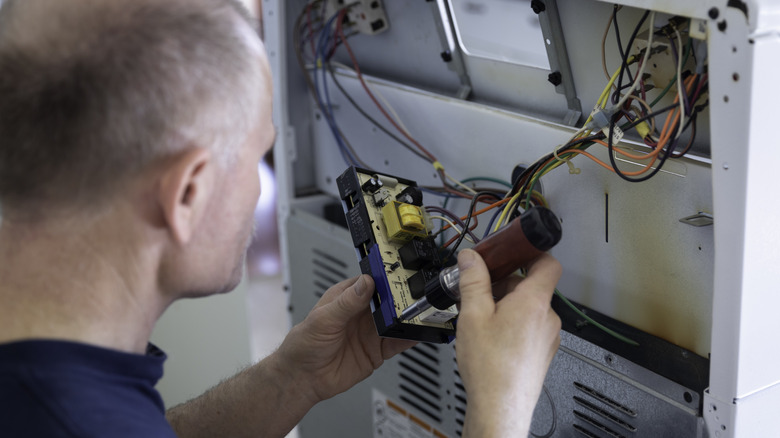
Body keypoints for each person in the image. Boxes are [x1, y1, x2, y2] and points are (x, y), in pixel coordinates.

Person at [0, 0, 562, 436]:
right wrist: (498, 412)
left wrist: (292, 377)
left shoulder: (49, 387)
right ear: (188, 193)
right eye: (257, 156)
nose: (259, 183)